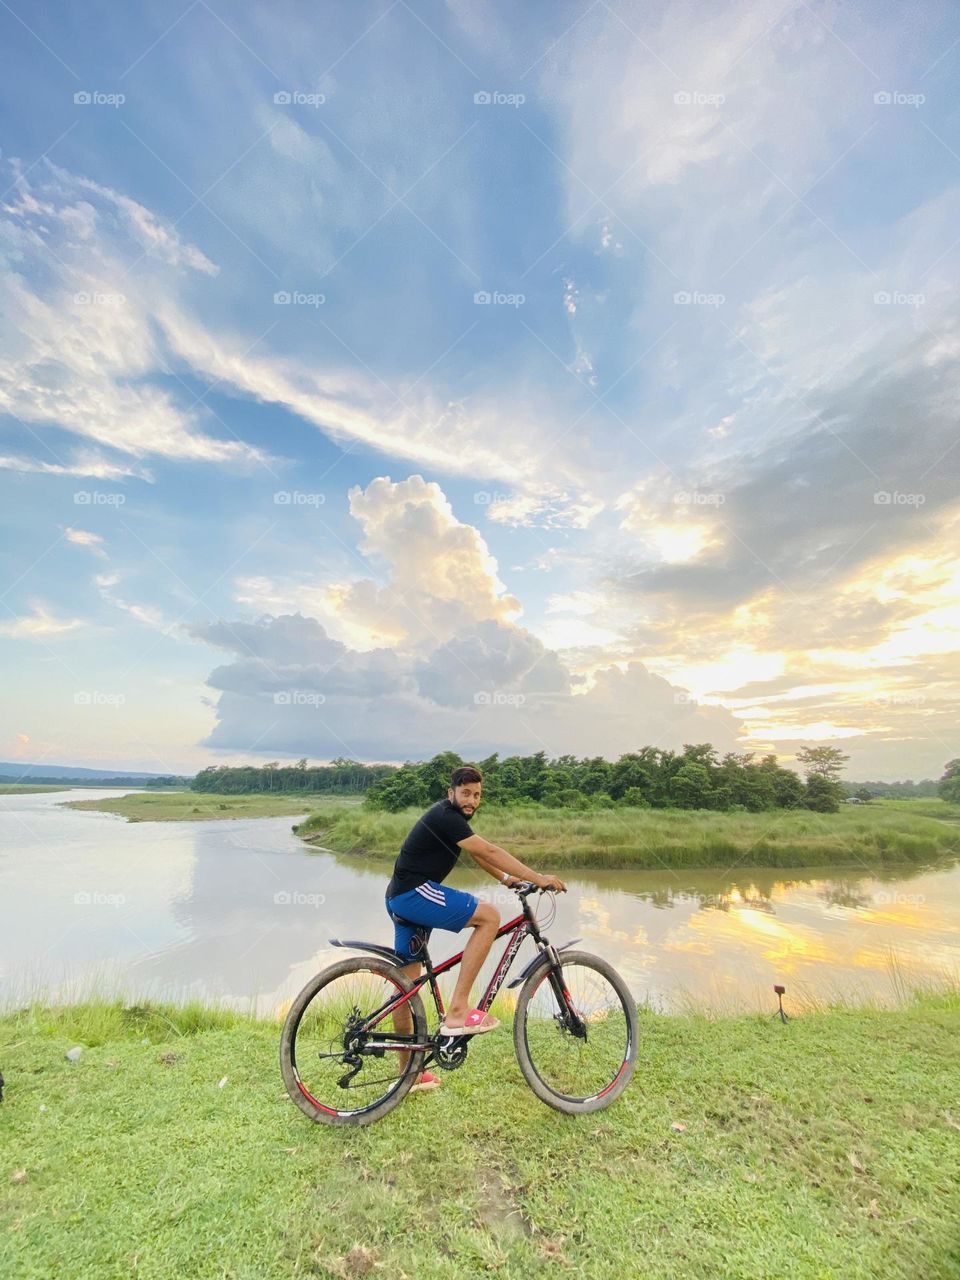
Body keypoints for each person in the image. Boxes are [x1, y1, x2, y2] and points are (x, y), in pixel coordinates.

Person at [385, 764, 567, 1093]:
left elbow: (479, 855)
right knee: (489, 917)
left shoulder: (454, 822)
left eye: (477, 795)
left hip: (401, 898)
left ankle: (407, 1077)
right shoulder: (445, 816)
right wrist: (537, 878)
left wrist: (508, 879)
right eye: (466, 793)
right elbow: (490, 850)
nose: (472, 800)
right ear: (451, 793)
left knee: (406, 988)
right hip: (413, 893)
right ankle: (458, 1011)